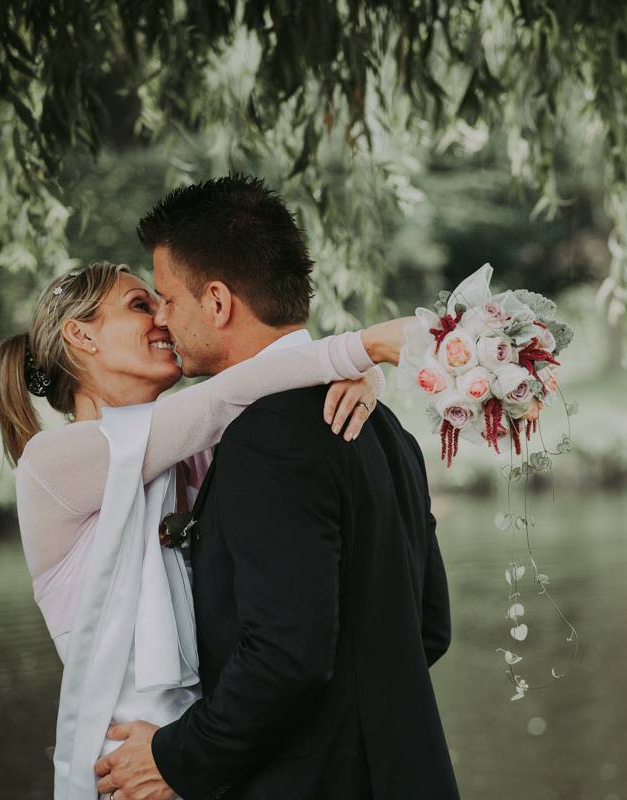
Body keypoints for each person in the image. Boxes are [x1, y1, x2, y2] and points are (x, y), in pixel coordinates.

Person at [0, 254, 411, 799]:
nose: (163, 319)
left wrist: (360, 377)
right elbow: (223, 397)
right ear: (81, 335)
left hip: (208, 759)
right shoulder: (52, 463)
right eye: (140, 305)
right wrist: (364, 349)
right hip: (128, 773)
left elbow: (259, 393)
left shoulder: (193, 456)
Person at [94, 174, 459, 799]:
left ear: (216, 302)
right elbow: (429, 627)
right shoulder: (383, 427)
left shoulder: (266, 436)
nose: (162, 319)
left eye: (167, 299)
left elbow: (286, 657)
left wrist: (177, 757)